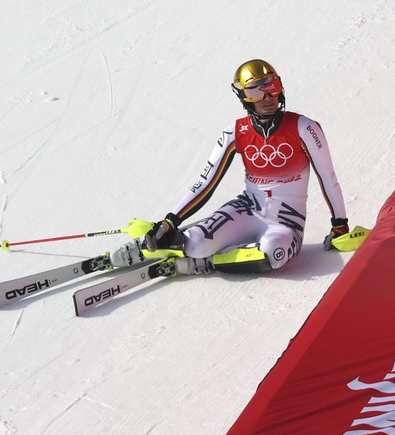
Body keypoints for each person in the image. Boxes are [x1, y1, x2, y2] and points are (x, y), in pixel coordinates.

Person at [111, 59, 349, 276]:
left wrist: (340, 225)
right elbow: (206, 183)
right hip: (247, 209)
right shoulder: (235, 132)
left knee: (273, 255)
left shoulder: (304, 128)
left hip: (286, 220)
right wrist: (170, 221)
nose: (268, 97)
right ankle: (152, 244)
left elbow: (328, 177)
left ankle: (206, 262)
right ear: (244, 96)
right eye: (256, 91)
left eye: (272, 86)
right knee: (195, 244)